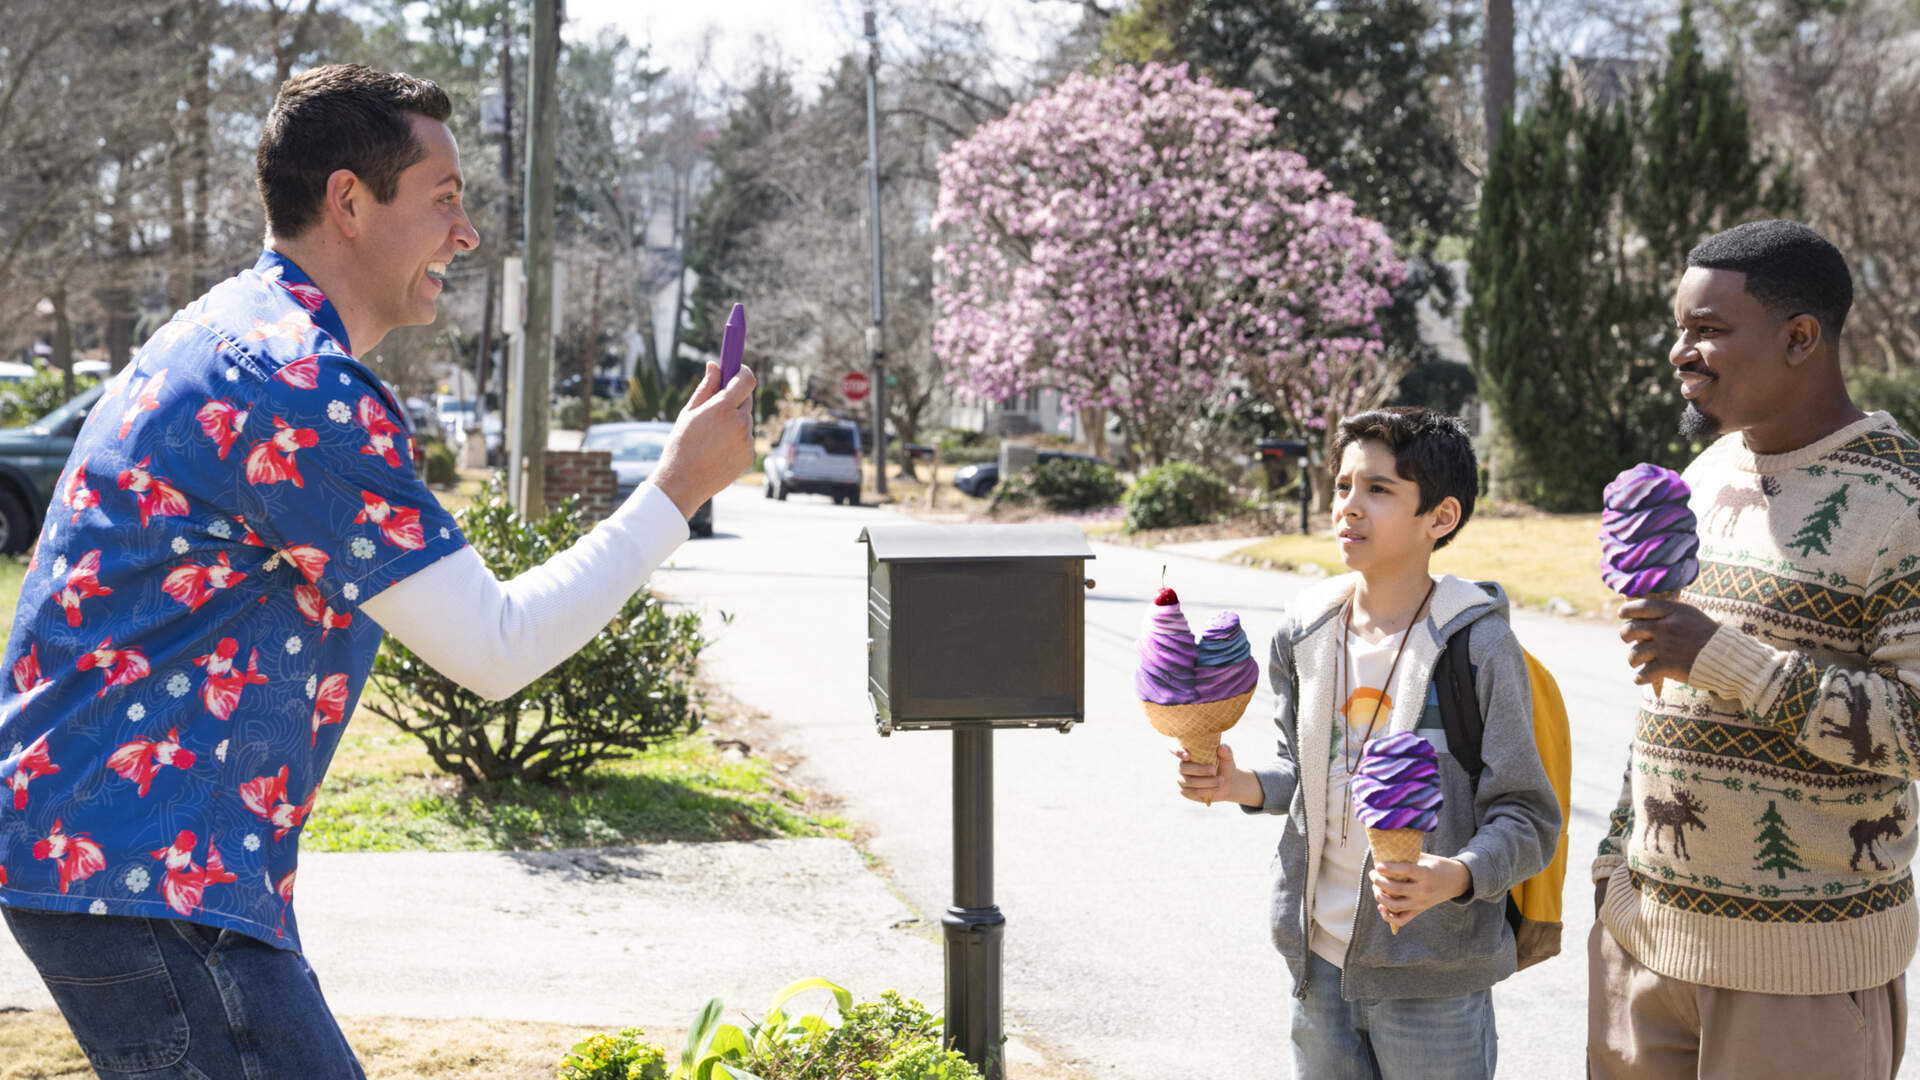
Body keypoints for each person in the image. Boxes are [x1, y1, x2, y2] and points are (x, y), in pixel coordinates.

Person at [0, 65, 754, 1078]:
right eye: (444, 200)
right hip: (149, 880)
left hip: (122, 864)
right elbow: (496, 646)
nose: (468, 233)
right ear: (348, 201)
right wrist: (677, 489)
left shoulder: (228, 331)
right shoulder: (295, 385)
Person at [1593, 219, 1911, 1079]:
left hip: (1799, 979)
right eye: (1680, 328)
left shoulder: (1903, 506)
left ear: (1800, 337)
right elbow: (1662, 681)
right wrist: (1613, 867)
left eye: (1708, 329)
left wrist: (1732, 662)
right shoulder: (1704, 476)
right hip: (1646, 946)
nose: (1679, 352)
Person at [1178, 407, 1560, 1080]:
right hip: (1318, 961)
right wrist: (1240, 785)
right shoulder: (1304, 634)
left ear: (1440, 518)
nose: (1349, 508)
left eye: (1379, 490)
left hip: (1434, 978)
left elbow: (1528, 816)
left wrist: (1458, 873)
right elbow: (1306, 774)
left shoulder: (1478, 647)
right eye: (1344, 486)